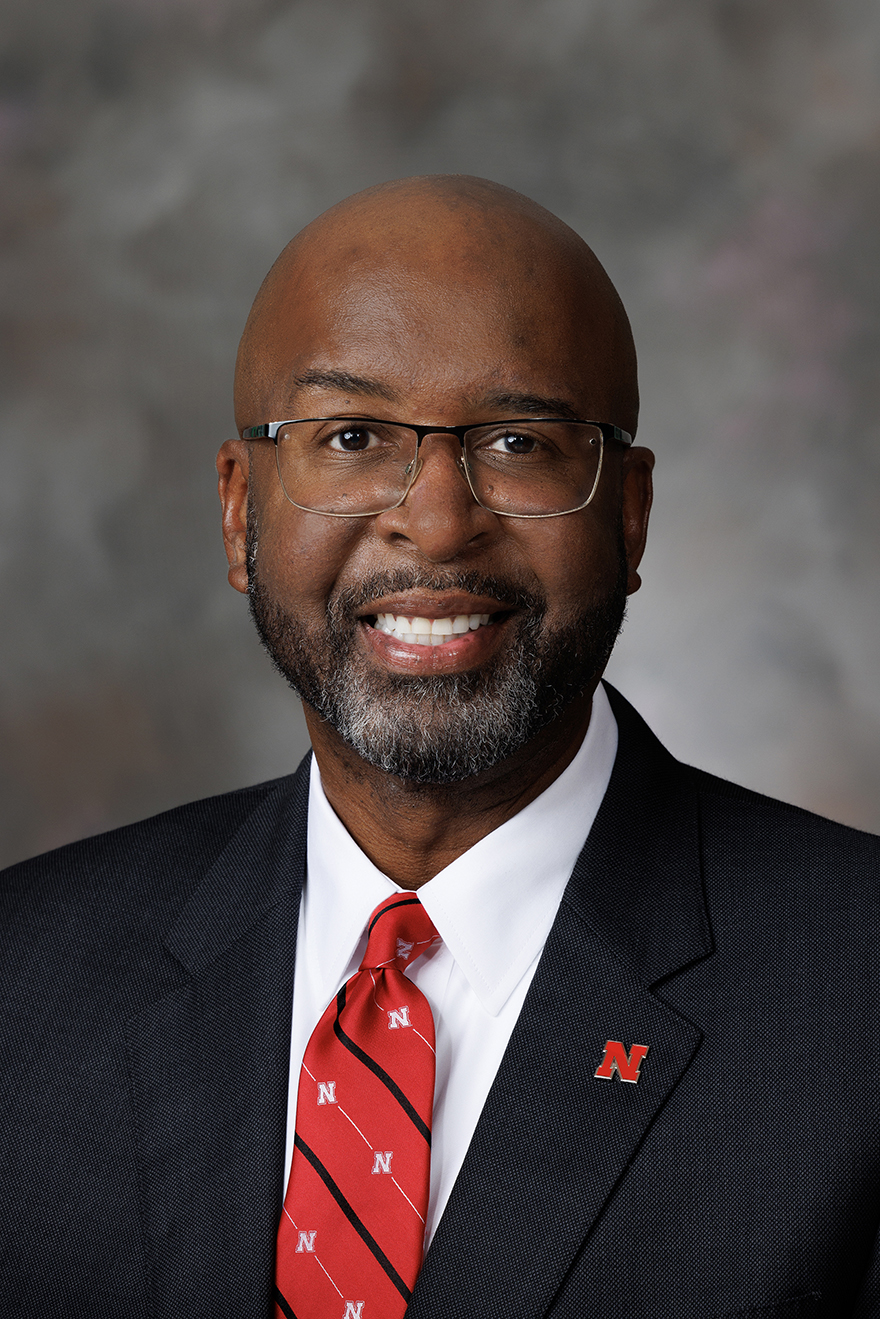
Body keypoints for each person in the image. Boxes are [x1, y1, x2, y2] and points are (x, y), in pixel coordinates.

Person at [2, 175, 879, 1319]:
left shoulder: (853, 996)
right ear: (237, 509)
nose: (437, 517)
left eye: (518, 440)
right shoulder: (25, 981)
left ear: (629, 515)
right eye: (352, 434)